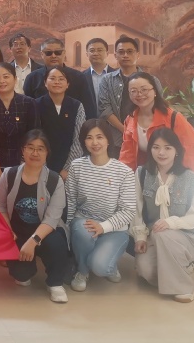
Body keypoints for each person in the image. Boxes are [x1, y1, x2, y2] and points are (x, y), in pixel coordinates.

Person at [0, 130, 70, 303]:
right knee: (21, 277)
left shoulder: (55, 180)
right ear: (23, 150)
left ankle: (55, 283)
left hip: (46, 232)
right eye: (30, 147)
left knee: (56, 243)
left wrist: (33, 241)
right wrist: (8, 231)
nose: (35, 153)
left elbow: (52, 218)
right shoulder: (9, 175)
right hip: (19, 232)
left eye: (40, 149)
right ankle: (26, 268)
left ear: (47, 153)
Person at [132, 128, 194, 303]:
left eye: (167, 148)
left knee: (162, 232)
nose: (161, 153)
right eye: (156, 147)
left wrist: (171, 223)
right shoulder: (142, 174)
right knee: (145, 270)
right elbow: (137, 209)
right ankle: (182, 266)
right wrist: (140, 237)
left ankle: (183, 287)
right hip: (155, 237)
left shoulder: (190, 178)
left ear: (177, 150)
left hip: (188, 238)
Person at [66, 119, 136, 292]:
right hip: (84, 224)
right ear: (83, 141)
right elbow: (70, 201)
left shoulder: (124, 172)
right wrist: (68, 230)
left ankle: (107, 264)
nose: (95, 142)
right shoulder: (76, 166)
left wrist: (103, 227)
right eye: (89, 138)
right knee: (83, 231)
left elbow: (128, 211)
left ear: (108, 140)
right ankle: (82, 271)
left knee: (100, 267)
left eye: (100, 137)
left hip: (114, 229)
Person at [119, 72, 194, 185]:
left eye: (144, 89)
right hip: (149, 175)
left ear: (155, 91)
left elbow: (192, 151)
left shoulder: (173, 117)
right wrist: (121, 179)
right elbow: (127, 155)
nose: (139, 94)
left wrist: (187, 181)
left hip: (174, 173)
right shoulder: (130, 119)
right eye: (133, 91)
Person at [99, 37, 162, 158]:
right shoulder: (107, 80)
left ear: (137, 55)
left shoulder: (152, 80)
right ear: (115, 55)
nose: (125, 55)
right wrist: (126, 131)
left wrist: (140, 132)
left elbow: (159, 106)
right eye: (121, 52)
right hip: (116, 140)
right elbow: (105, 109)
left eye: (130, 51)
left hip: (147, 138)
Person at [0, 62, 39, 184]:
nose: (2, 81)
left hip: (24, 163)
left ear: (15, 79)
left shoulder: (29, 103)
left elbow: (33, 135)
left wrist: (24, 164)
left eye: (6, 76)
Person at [23, 38, 96, 119]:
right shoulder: (32, 78)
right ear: (42, 54)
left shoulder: (79, 77)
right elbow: (27, 108)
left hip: (73, 124)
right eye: (48, 53)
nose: (53, 56)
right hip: (40, 124)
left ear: (64, 53)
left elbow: (88, 108)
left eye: (58, 52)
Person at [35, 66, 85, 179]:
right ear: (45, 83)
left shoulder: (77, 106)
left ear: (68, 84)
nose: (57, 82)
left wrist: (67, 168)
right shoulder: (35, 105)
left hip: (69, 168)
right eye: (52, 78)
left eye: (61, 79)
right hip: (41, 167)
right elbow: (34, 137)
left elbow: (78, 140)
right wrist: (44, 168)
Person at [82, 37, 115, 112]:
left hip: (113, 118)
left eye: (99, 50)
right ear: (87, 54)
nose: (96, 53)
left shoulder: (116, 75)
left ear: (107, 53)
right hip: (89, 118)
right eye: (92, 50)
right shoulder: (81, 77)